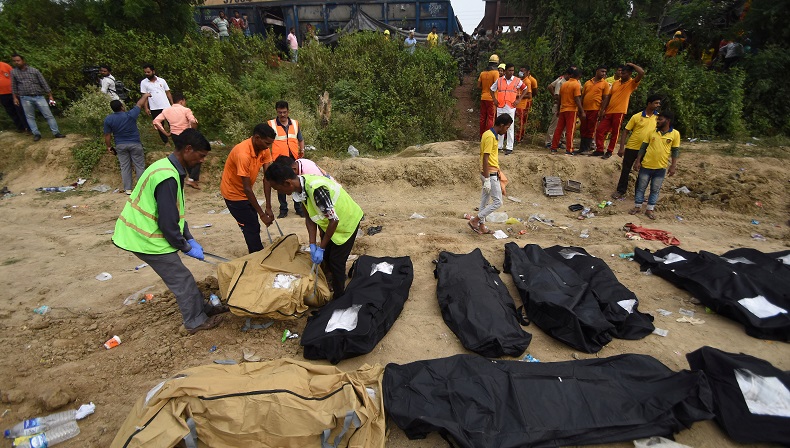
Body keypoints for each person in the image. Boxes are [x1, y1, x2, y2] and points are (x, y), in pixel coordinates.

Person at [112, 129, 226, 334]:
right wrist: (184, 245)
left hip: (145, 233)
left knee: (183, 277)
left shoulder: (168, 168)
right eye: (201, 156)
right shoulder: (167, 177)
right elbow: (167, 222)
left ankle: (202, 309)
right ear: (188, 149)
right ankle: (195, 321)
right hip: (144, 238)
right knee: (182, 279)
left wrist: (189, 237)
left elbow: (176, 213)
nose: (202, 161)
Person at [264, 162, 363, 299]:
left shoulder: (316, 189)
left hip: (346, 221)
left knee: (336, 261)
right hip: (330, 223)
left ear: (287, 183)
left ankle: (340, 297)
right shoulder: (299, 189)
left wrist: (321, 247)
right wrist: (312, 244)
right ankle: (331, 281)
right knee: (327, 257)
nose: (278, 192)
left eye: (277, 188)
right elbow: (309, 218)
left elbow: (334, 220)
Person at [220, 124, 277, 254]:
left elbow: (267, 178)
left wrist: (268, 207)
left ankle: (256, 251)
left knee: (253, 224)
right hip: (233, 194)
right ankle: (256, 256)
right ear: (257, 138)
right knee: (250, 226)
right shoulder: (243, 154)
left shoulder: (264, 149)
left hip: (246, 192)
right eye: (267, 143)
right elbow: (246, 188)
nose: (268, 147)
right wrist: (262, 214)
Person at [629, 111, 679, 220]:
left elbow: (675, 151)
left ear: (668, 121)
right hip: (646, 166)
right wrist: (638, 161)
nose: (657, 121)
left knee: (655, 190)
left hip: (661, 168)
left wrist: (673, 166)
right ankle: (637, 207)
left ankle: (650, 209)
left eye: (660, 119)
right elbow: (643, 148)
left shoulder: (675, 134)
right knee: (641, 188)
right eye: (657, 119)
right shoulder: (651, 133)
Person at [468, 113, 512, 235]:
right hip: (490, 173)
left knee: (484, 202)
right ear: (502, 125)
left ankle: (482, 226)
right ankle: (475, 220)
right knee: (498, 201)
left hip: (489, 172)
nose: (507, 130)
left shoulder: (490, 134)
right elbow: (485, 157)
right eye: (507, 127)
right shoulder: (490, 137)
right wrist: (487, 179)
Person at [612, 94, 661, 199]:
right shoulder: (637, 116)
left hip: (647, 150)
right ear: (649, 103)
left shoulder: (658, 118)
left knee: (643, 173)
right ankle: (620, 191)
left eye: (659, 103)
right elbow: (625, 131)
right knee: (626, 169)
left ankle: (639, 193)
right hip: (632, 147)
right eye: (656, 103)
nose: (658, 105)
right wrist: (621, 148)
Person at [10, 53, 66, 142]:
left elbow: (43, 83)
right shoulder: (13, 72)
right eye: (14, 61)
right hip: (25, 98)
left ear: (23, 60)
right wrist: (15, 98)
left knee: (48, 115)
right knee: (30, 117)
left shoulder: (34, 71)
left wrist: (50, 95)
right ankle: (36, 134)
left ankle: (56, 132)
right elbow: (13, 86)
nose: (16, 62)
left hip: (38, 96)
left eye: (18, 60)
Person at [594, 62, 644, 158]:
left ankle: (609, 151)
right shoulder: (616, 83)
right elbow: (608, 97)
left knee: (615, 132)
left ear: (629, 74)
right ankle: (599, 149)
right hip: (609, 111)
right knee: (600, 129)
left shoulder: (631, 83)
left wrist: (633, 65)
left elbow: (641, 73)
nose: (622, 74)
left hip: (620, 111)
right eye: (621, 72)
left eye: (624, 73)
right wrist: (602, 110)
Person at [104, 93, 151, 195]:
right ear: (122, 107)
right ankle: (142, 188)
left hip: (120, 145)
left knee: (125, 167)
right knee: (139, 166)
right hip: (135, 144)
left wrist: (109, 146)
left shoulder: (109, 119)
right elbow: (139, 104)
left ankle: (128, 189)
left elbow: (107, 135)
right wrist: (145, 95)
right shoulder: (130, 115)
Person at [153, 92, 200, 188]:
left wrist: (166, 133)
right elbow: (192, 121)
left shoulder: (166, 110)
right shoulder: (186, 110)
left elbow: (156, 121)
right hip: (186, 135)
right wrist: (193, 129)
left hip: (175, 136)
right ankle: (192, 179)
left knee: (183, 155)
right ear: (182, 101)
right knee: (198, 155)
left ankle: (187, 178)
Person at [268, 100, 305, 218]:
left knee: (295, 182)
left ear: (288, 111)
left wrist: (302, 150)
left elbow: (300, 138)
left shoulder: (295, 123)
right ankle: (283, 209)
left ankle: (298, 208)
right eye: (280, 112)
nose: (282, 115)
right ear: (276, 112)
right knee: (281, 184)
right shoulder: (271, 124)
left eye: (284, 112)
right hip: (278, 160)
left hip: (293, 158)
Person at [489, 63, 526, 155]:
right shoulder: (500, 80)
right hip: (501, 106)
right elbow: (491, 89)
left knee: (509, 127)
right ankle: (499, 146)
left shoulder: (517, 80)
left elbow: (525, 89)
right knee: (499, 126)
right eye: (509, 70)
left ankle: (509, 147)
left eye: (512, 70)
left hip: (510, 107)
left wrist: (519, 100)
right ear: (505, 71)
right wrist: (494, 100)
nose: (511, 72)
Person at [577, 66, 610, 154]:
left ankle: (587, 148)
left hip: (595, 109)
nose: (604, 73)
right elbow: (582, 96)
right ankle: (582, 148)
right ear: (597, 71)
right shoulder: (588, 82)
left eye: (605, 72)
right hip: (585, 109)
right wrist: (580, 109)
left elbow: (605, 98)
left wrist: (602, 110)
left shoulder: (605, 84)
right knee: (583, 128)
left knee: (591, 129)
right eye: (602, 71)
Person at [550, 68, 584, 155]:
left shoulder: (564, 84)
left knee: (559, 129)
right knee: (570, 130)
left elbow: (559, 99)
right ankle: (569, 149)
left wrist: (558, 110)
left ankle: (553, 147)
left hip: (562, 109)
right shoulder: (576, 85)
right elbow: (577, 99)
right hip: (571, 110)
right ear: (579, 76)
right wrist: (581, 111)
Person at [140, 64, 173, 146]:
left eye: (148, 72)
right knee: (159, 125)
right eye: (145, 72)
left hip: (166, 106)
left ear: (153, 71)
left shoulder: (162, 81)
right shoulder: (144, 83)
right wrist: (146, 108)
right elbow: (144, 96)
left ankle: (176, 139)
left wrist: (172, 104)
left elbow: (168, 92)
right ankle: (166, 142)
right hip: (154, 107)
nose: (147, 74)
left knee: (172, 123)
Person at [544, 67, 575, 149]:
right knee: (554, 124)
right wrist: (555, 97)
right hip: (560, 105)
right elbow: (553, 89)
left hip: (567, 107)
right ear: (568, 74)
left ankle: (559, 141)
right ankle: (549, 142)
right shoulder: (560, 81)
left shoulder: (572, 82)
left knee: (563, 127)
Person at [0, 58, 29, 133]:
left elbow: (15, 75)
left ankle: (27, 127)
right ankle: (20, 127)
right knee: (11, 111)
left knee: (20, 109)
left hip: (13, 92)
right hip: (2, 94)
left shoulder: (4, 65)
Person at [477, 54, 499, 135]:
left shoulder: (482, 73)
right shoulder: (495, 73)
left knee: (483, 117)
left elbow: (478, 86)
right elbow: (497, 85)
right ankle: (489, 135)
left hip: (483, 97)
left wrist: (485, 89)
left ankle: (482, 135)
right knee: (491, 118)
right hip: (491, 99)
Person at [515, 66, 537, 143]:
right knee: (518, 121)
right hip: (517, 103)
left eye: (523, 71)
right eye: (520, 70)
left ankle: (519, 137)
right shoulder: (519, 80)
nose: (521, 72)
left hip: (522, 104)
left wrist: (518, 96)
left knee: (521, 121)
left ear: (527, 72)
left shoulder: (528, 81)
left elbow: (530, 94)